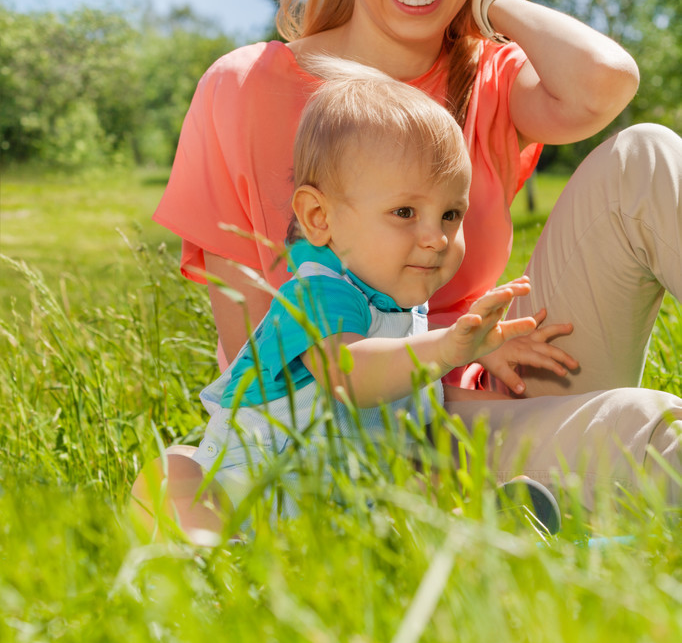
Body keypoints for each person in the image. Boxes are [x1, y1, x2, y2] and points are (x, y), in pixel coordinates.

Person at [141, 0, 682, 535]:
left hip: (510, 367)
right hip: (386, 431)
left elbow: (605, 81)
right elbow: (261, 367)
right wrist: (442, 379)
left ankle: (541, 495)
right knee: (646, 428)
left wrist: (484, 1)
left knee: (648, 154)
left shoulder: (483, 73)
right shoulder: (244, 89)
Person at [190, 60, 554, 519]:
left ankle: (466, 525)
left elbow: (397, 401)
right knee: (208, 503)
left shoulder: (392, 291)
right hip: (266, 481)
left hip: (344, 482)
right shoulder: (320, 293)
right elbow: (349, 376)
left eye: (450, 214)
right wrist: (446, 349)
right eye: (405, 212)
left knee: (419, 476)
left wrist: (476, 348)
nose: (436, 238)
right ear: (320, 218)